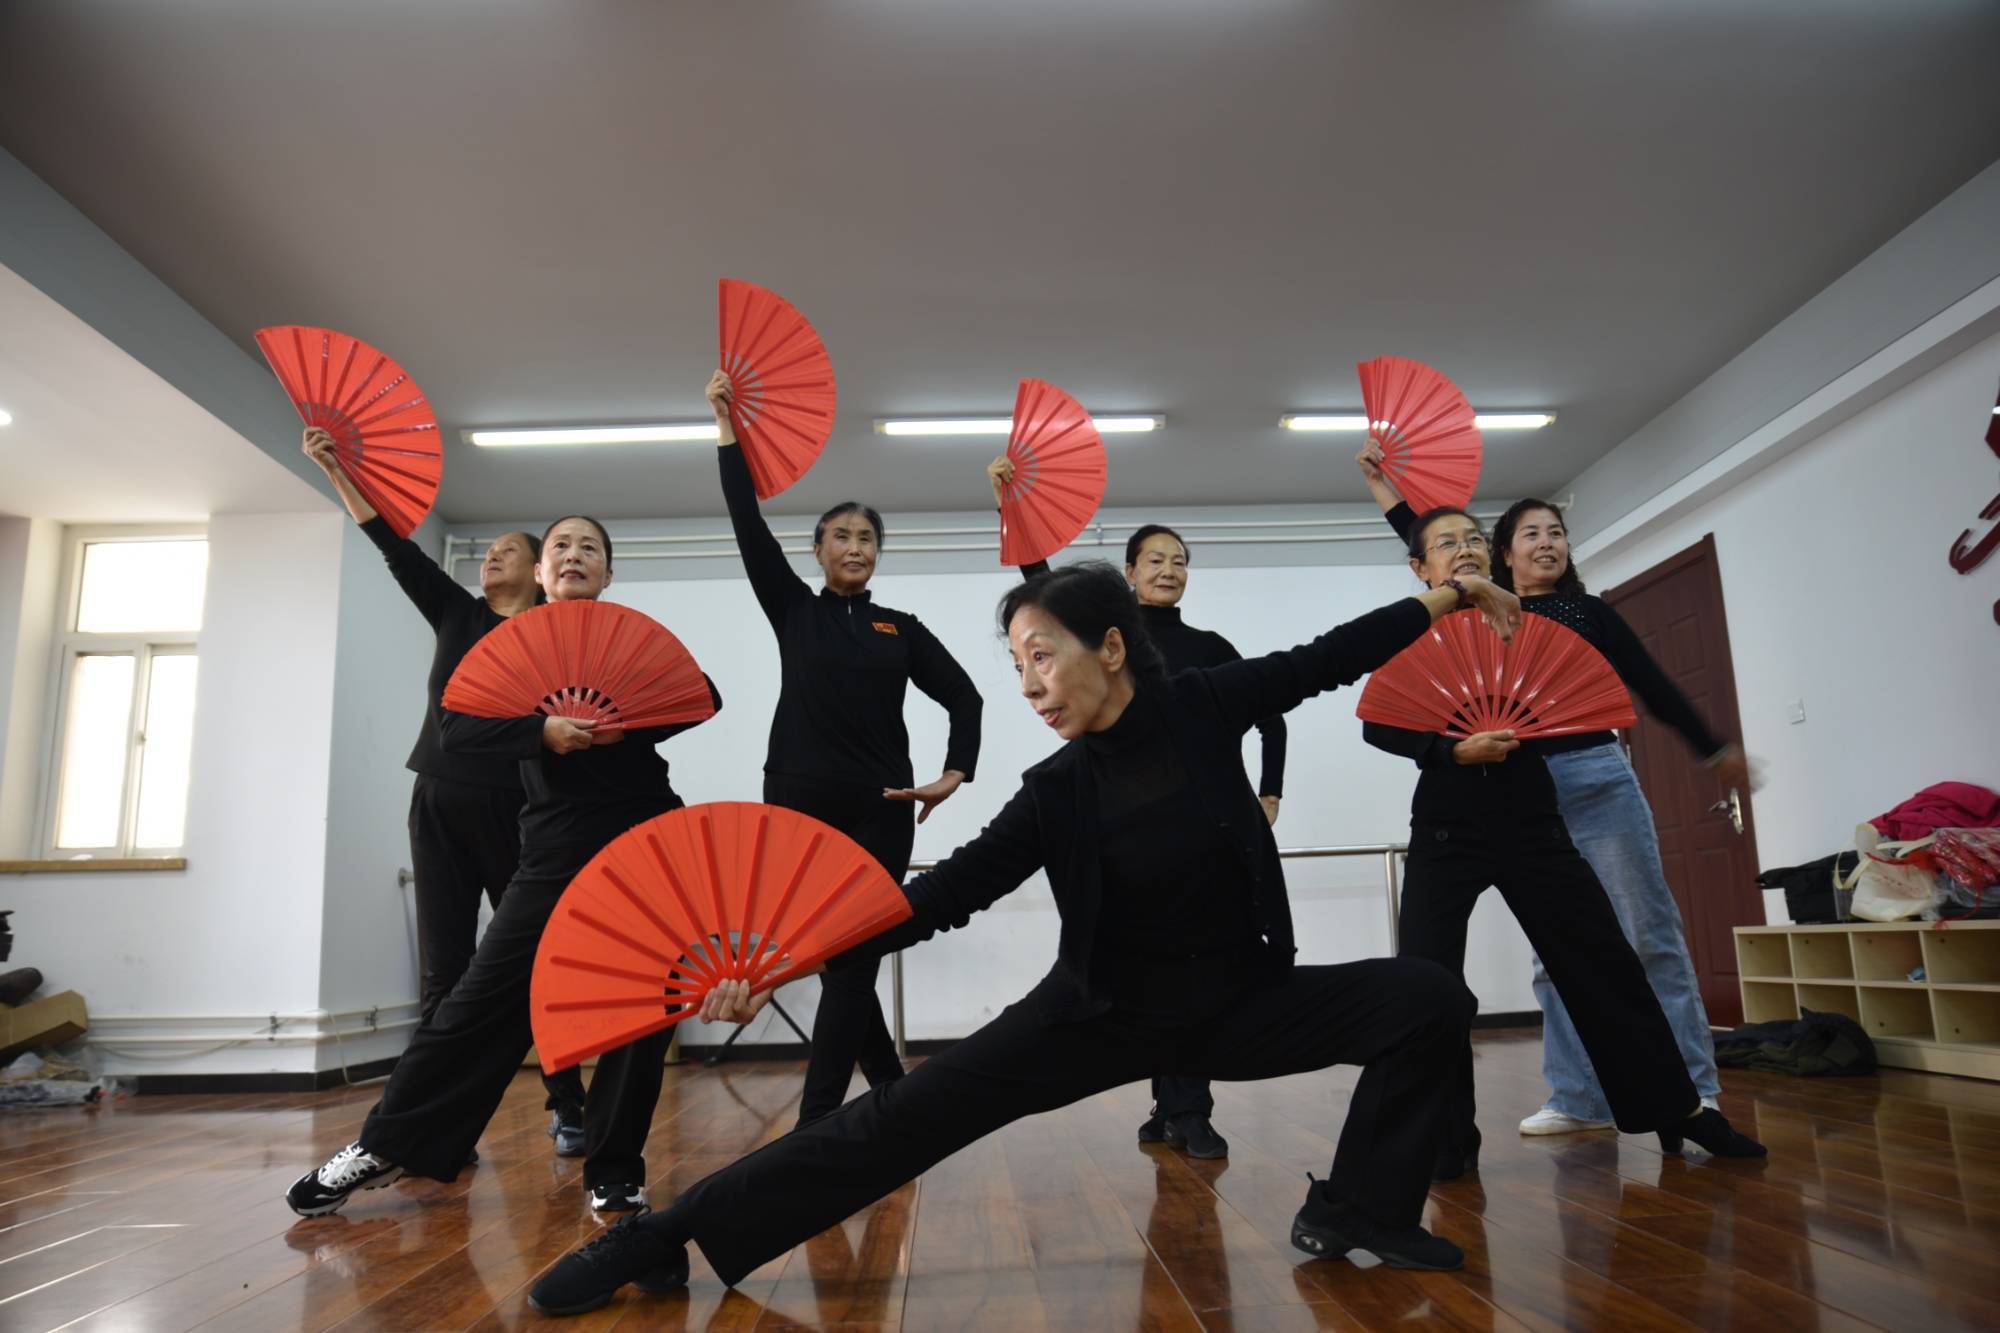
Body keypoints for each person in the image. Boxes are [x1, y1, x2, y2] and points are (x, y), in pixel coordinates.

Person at [525, 559, 1528, 1316]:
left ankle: (1359, 1206)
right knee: (891, 1122)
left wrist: (1447, 595)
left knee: (1428, 998)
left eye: (1041, 655)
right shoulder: (1055, 791)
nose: (1030, 684)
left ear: (1111, 647)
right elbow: (936, 897)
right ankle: (656, 1236)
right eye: (1016, 666)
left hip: (1242, 1001)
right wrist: (784, 964)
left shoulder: (1202, 707)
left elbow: (1329, 657)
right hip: (1098, 1014)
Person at [286, 516, 723, 1217]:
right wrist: (538, 731)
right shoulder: (509, 645)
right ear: (542, 575)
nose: (574, 555)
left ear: (608, 575)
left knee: (645, 999)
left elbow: (700, 695)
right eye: (561, 547)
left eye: (590, 548)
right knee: (479, 997)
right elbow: (457, 730)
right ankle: (389, 1142)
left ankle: (614, 1168)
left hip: (644, 835)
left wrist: (625, 721)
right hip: (553, 839)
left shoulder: (630, 642)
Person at [1360, 502, 1766, 1180]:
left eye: (1472, 538)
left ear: (1490, 555)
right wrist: (1449, 750)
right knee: (1428, 981)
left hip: (1532, 817)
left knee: (1603, 959)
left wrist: (1709, 746)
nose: (1464, 549)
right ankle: (1445, 1138)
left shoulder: (1527, 620)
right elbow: (1379, 723)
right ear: (1420, 567)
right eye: (1446, 544)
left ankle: (1679, 1108)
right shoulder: (1416, 630)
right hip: (1446, 827)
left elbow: (1643, 684)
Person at [299, 427, 587, 1159]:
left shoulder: (557, 634)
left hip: (520, 810)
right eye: (488, 550)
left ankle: (569, 1105)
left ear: (539, 574)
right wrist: (338, 470)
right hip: (438, 801)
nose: (492, 556)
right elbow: (393, 545)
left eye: (509, 551)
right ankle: (427, 1125)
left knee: (534, 962)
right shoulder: (458, 614)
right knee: (443, 970)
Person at [988, 456, 1284, 1159]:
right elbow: (1043, 596)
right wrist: (1015, 507)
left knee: (1191, 963)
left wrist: (1268, 793)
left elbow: (1270, 715)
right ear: (1128, 573)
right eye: (1156, 558)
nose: (1170, 569)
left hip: (1202, 830)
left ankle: (1189, 1108)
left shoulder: (1210, 649)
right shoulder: (1112, 639)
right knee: (1141, 964)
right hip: (1126, 829)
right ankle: (1169, 1104)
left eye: (1180, 561)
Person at [708, 371, 982, 1127]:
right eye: (842, 536)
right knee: (838, 957)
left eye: (867, 538)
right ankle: (888, 1092)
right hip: (799, 804)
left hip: (882, 809)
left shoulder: (902, 628)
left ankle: (818, 1124)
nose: (855, 546)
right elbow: (745, 520)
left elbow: (966, 696)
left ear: (877, 554)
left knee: (853, 955)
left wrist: (954, 774)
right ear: (818, 549)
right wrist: (728, 428)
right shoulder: (793, 609)